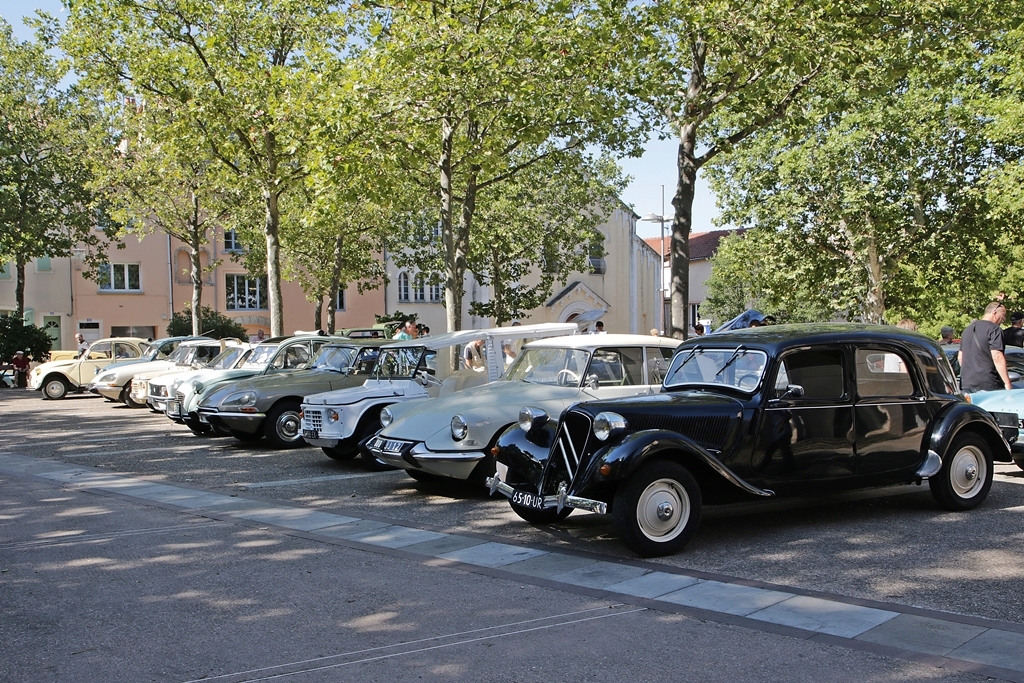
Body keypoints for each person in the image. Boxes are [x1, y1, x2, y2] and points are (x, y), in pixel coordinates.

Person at [959, 302, 1013, 392]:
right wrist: (1007, 383)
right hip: (988, 384)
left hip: (966, 384)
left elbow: (960, 358)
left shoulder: (967, 330)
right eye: (1003, 315)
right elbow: (997, 357)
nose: (1004, 319)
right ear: (994, 313)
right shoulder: (994, 330)